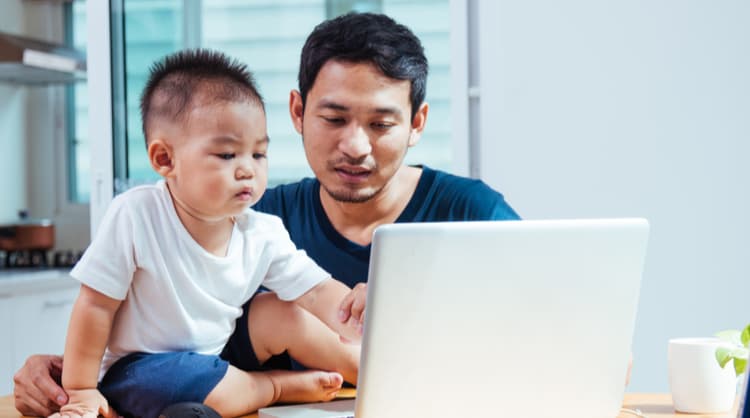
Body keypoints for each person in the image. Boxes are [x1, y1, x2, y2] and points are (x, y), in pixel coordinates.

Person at [14, 12, 519, 416]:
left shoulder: (473, 215)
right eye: (334, 117)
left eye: (382, 122)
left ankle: (378, 369)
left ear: (416, 124)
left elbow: (551, 331)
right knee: (276, 313)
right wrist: (64, 377)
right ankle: (290, 384)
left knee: (290, 310)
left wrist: (377, 311)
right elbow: (119, 322)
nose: (356, 145)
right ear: (298, 112)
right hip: (206, 387)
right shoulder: (241, 212)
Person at [45, 49, 366, 418]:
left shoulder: (262, 231)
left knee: (284, 311)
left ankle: (374, 366)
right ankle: (274, 387)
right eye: (228, 155)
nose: (248, 170)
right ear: (165, 160)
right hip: (144, 370)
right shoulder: (136, 215)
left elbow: (316, 291)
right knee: (189, 386)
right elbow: (94, 306)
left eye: (258, 155)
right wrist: (82, 389)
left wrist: (357, 314)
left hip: (218, 355)